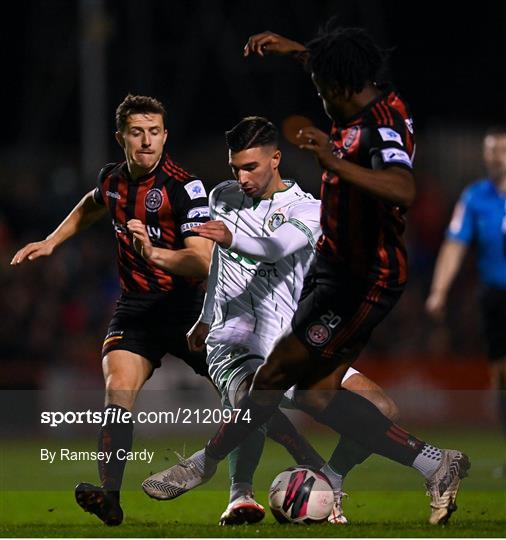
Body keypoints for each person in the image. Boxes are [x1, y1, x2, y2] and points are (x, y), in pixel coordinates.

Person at [140, 26, 470, 525]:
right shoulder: (371, 101)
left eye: (322, 88)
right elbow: (329, 67)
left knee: (276, 380)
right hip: (335, 276)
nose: (319, 96)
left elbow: (402, 188)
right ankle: (419, 465)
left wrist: (332, 159)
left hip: (363, 275)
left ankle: (208, 464)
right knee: (308, 392)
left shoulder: (373, 130)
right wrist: (295, 51)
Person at [10, 94, 214, 526]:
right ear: (120, 137)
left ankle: (310, 466)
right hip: (136, 311)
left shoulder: (184, 187)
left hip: (189, 312)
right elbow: (91, 203)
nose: (146, 142)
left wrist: (154, 252)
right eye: (137, 133)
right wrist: (51, 241)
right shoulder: (113, 181)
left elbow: (202, 260)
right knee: (117, 391)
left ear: (165, 136)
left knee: (249, 394)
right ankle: (111, 498)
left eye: (154, 132)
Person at [426, 126, 506, 476]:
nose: (495, 156)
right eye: (490, 150)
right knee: (500, 375)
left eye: (501, 149)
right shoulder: (475, 197)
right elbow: (455, 244)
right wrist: (439, 291)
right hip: (494, 296)